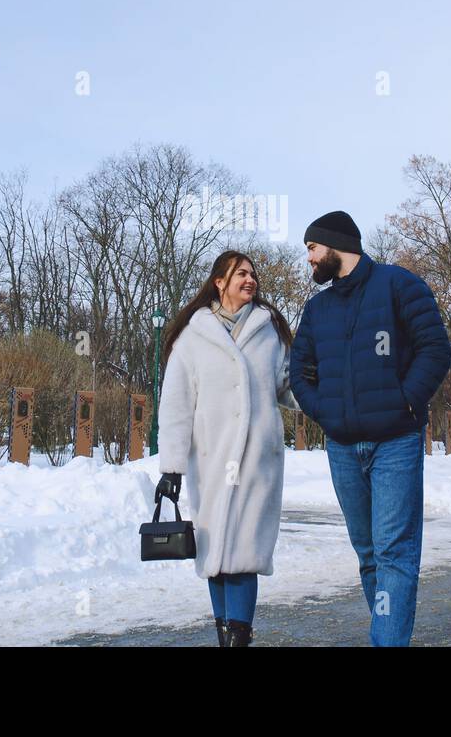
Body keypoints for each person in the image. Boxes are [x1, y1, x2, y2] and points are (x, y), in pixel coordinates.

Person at [289, 211, 451, 647]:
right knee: (367, 555)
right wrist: (323, 411)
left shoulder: (399, 285)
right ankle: (388, 630)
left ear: (335, 244)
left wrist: (404, 401)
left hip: (396, 442)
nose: (308, 259)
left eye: (311, 248)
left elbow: (435, 349)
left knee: (394, 553)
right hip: (342, 446)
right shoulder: (317, 308)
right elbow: (299, 372)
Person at [155, 251, 298, 646]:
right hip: (212, 459)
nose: (250, 280)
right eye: (241, 274)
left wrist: (329, 392)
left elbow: (289, 387)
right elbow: (176, 406)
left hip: (258, 460)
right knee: (215, 555)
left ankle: (240, 637)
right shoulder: (193, 336)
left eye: (253, 274)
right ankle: (226, 636)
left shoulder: (270, 331)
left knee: (244, 551)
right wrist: (171, 468)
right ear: (220, 281)